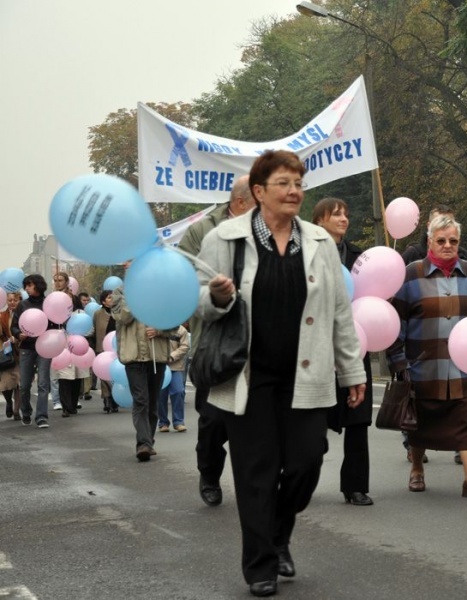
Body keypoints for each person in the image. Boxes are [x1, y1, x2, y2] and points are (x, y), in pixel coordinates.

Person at [195, 149, 366, 597]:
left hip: (305, 374)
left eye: (298, 184)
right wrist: (216, 297)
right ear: (258, 191)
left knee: (308, 461)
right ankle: (260, 566)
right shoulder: (225, 239)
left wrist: (352, 370)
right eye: (284, 184)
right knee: (256, 471)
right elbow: (198, 304)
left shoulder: (319, 242)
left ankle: (277, 533)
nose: (294, 192)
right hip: (248, 376)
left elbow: (339, 311)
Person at [387, 213, 467, 498]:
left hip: (465, 368)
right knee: (420, 423)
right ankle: (417, 470)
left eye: (453, 241)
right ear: (429, 242)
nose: (448, 246)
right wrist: (398, 361)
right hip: (423, 366)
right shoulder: (411, 274)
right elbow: (395, 322)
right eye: (441, 241)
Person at [179, 174, 256, 507]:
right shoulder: (202, 231)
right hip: (215, 341)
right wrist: (215, 293)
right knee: (213, 422)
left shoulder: (272, 230)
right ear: (240, 202)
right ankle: (209, 473)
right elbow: (184, 282)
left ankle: (255, 486)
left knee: (255, 421)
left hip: (257, 344)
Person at [312, 197, 375, 506]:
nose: (343, 218)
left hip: (354, 343)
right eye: (336, 214)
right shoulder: (305, 255)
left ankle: (356, 486)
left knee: (358, 420)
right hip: (316, 348)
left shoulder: (360, 258)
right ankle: (300, 476)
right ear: (319, 220)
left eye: (346, 213)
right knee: (312, 422)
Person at [111, 284, 177, 461]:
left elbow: (175, 325)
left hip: (157, 357)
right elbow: (122, 317)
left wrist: (159, 330)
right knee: (141, 400)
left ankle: (149, 441)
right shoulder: (120, 292)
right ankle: (143, 444)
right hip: (133, 357)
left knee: (153, 401)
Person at [11, 274, 55, 428]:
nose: (27, 288)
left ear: (38, 285)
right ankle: (26, 411)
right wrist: (18, 334)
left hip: (45, 347)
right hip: (27, 348)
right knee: (24, 385)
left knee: (43, 383)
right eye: (26, 286)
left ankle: (41, 417)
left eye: (30, 285)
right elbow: (14, 325)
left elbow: (56, 324)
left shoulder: (48, 304)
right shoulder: (22, 305)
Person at [157, 323, 189, 433]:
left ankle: (179, 422)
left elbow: (185, 346)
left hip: (176, 366)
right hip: (160, 366)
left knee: (179, 391)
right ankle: (163, 422)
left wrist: (172, 356)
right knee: (161, 395)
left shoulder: (181, 330)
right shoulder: (156, 326)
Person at [93, 289, 118, 413]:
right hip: (102, 348)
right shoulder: (98, 314)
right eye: (109, 297)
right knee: (104, 375)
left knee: (116, 375)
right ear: (103, 301)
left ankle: (115, 399)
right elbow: (94, 329)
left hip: (117, 348)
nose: (111, 299)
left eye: (113, 297)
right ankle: (107, 399)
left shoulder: (119, 312)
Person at [1, 292, 21, 420]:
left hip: (21, 352)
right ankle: (9, 401)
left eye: (15, 300)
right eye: (10, 300)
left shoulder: (24, 315)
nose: (12, 302)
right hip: (6, 354)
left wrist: (18, 338)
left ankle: (16, 410)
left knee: (19, 383)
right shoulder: (2, 316)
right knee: (6, 384)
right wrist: (7, 340)